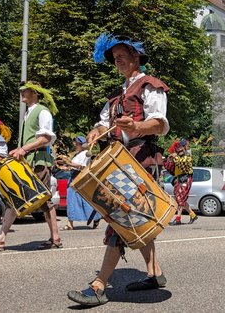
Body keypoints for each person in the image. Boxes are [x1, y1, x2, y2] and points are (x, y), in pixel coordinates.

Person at [68, 34, 169, 306]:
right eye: (114, 58)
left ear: (137, 57)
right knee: (134, 218)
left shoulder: (151, 86)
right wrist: (96, 132)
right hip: (118, 160)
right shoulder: (115, 95)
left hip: (140, 158)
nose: (118, 61)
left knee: (121, 216)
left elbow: (159, 124)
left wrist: (135, 126)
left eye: (123, 56)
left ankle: (99, 285)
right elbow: (104, 124)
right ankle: (154, 272)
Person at [0, 80, 61, 251]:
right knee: (15, 197)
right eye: (21, 91)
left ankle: (56, 239)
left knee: (44, 200)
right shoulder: (27, 113)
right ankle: (1, 238)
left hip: (38, 160)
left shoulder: (42, 111)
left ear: (35, 92)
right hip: (27, 162)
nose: (22, 93)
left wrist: (23, 148)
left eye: (25, 91)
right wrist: (19, 149)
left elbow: (45, 138)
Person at [57, 136, 101, 231]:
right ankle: (70, 224)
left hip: (80, 178)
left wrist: (68, 164)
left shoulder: (86, 154)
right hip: (73, 177)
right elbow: (73, 166)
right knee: (71, 200)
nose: (76, 146)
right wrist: (66, 167)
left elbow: (81, 167)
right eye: (76, 144)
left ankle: (96, 216)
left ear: (82, 145)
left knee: (85, 200)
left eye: (77, 144)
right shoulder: (77, 154)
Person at [165, 139, 198, 225]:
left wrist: (175, 157)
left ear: (183, 147)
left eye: (180, 147)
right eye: (176, 147)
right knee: (181, 199)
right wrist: (170, 160)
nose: (178, 149)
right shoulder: (177, 157)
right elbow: (172, 169)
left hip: (186, 178)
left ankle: (178, 219)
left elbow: (182, 165)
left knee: (180, 199)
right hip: (179, 179)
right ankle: (193, 215)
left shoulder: (187, 156)